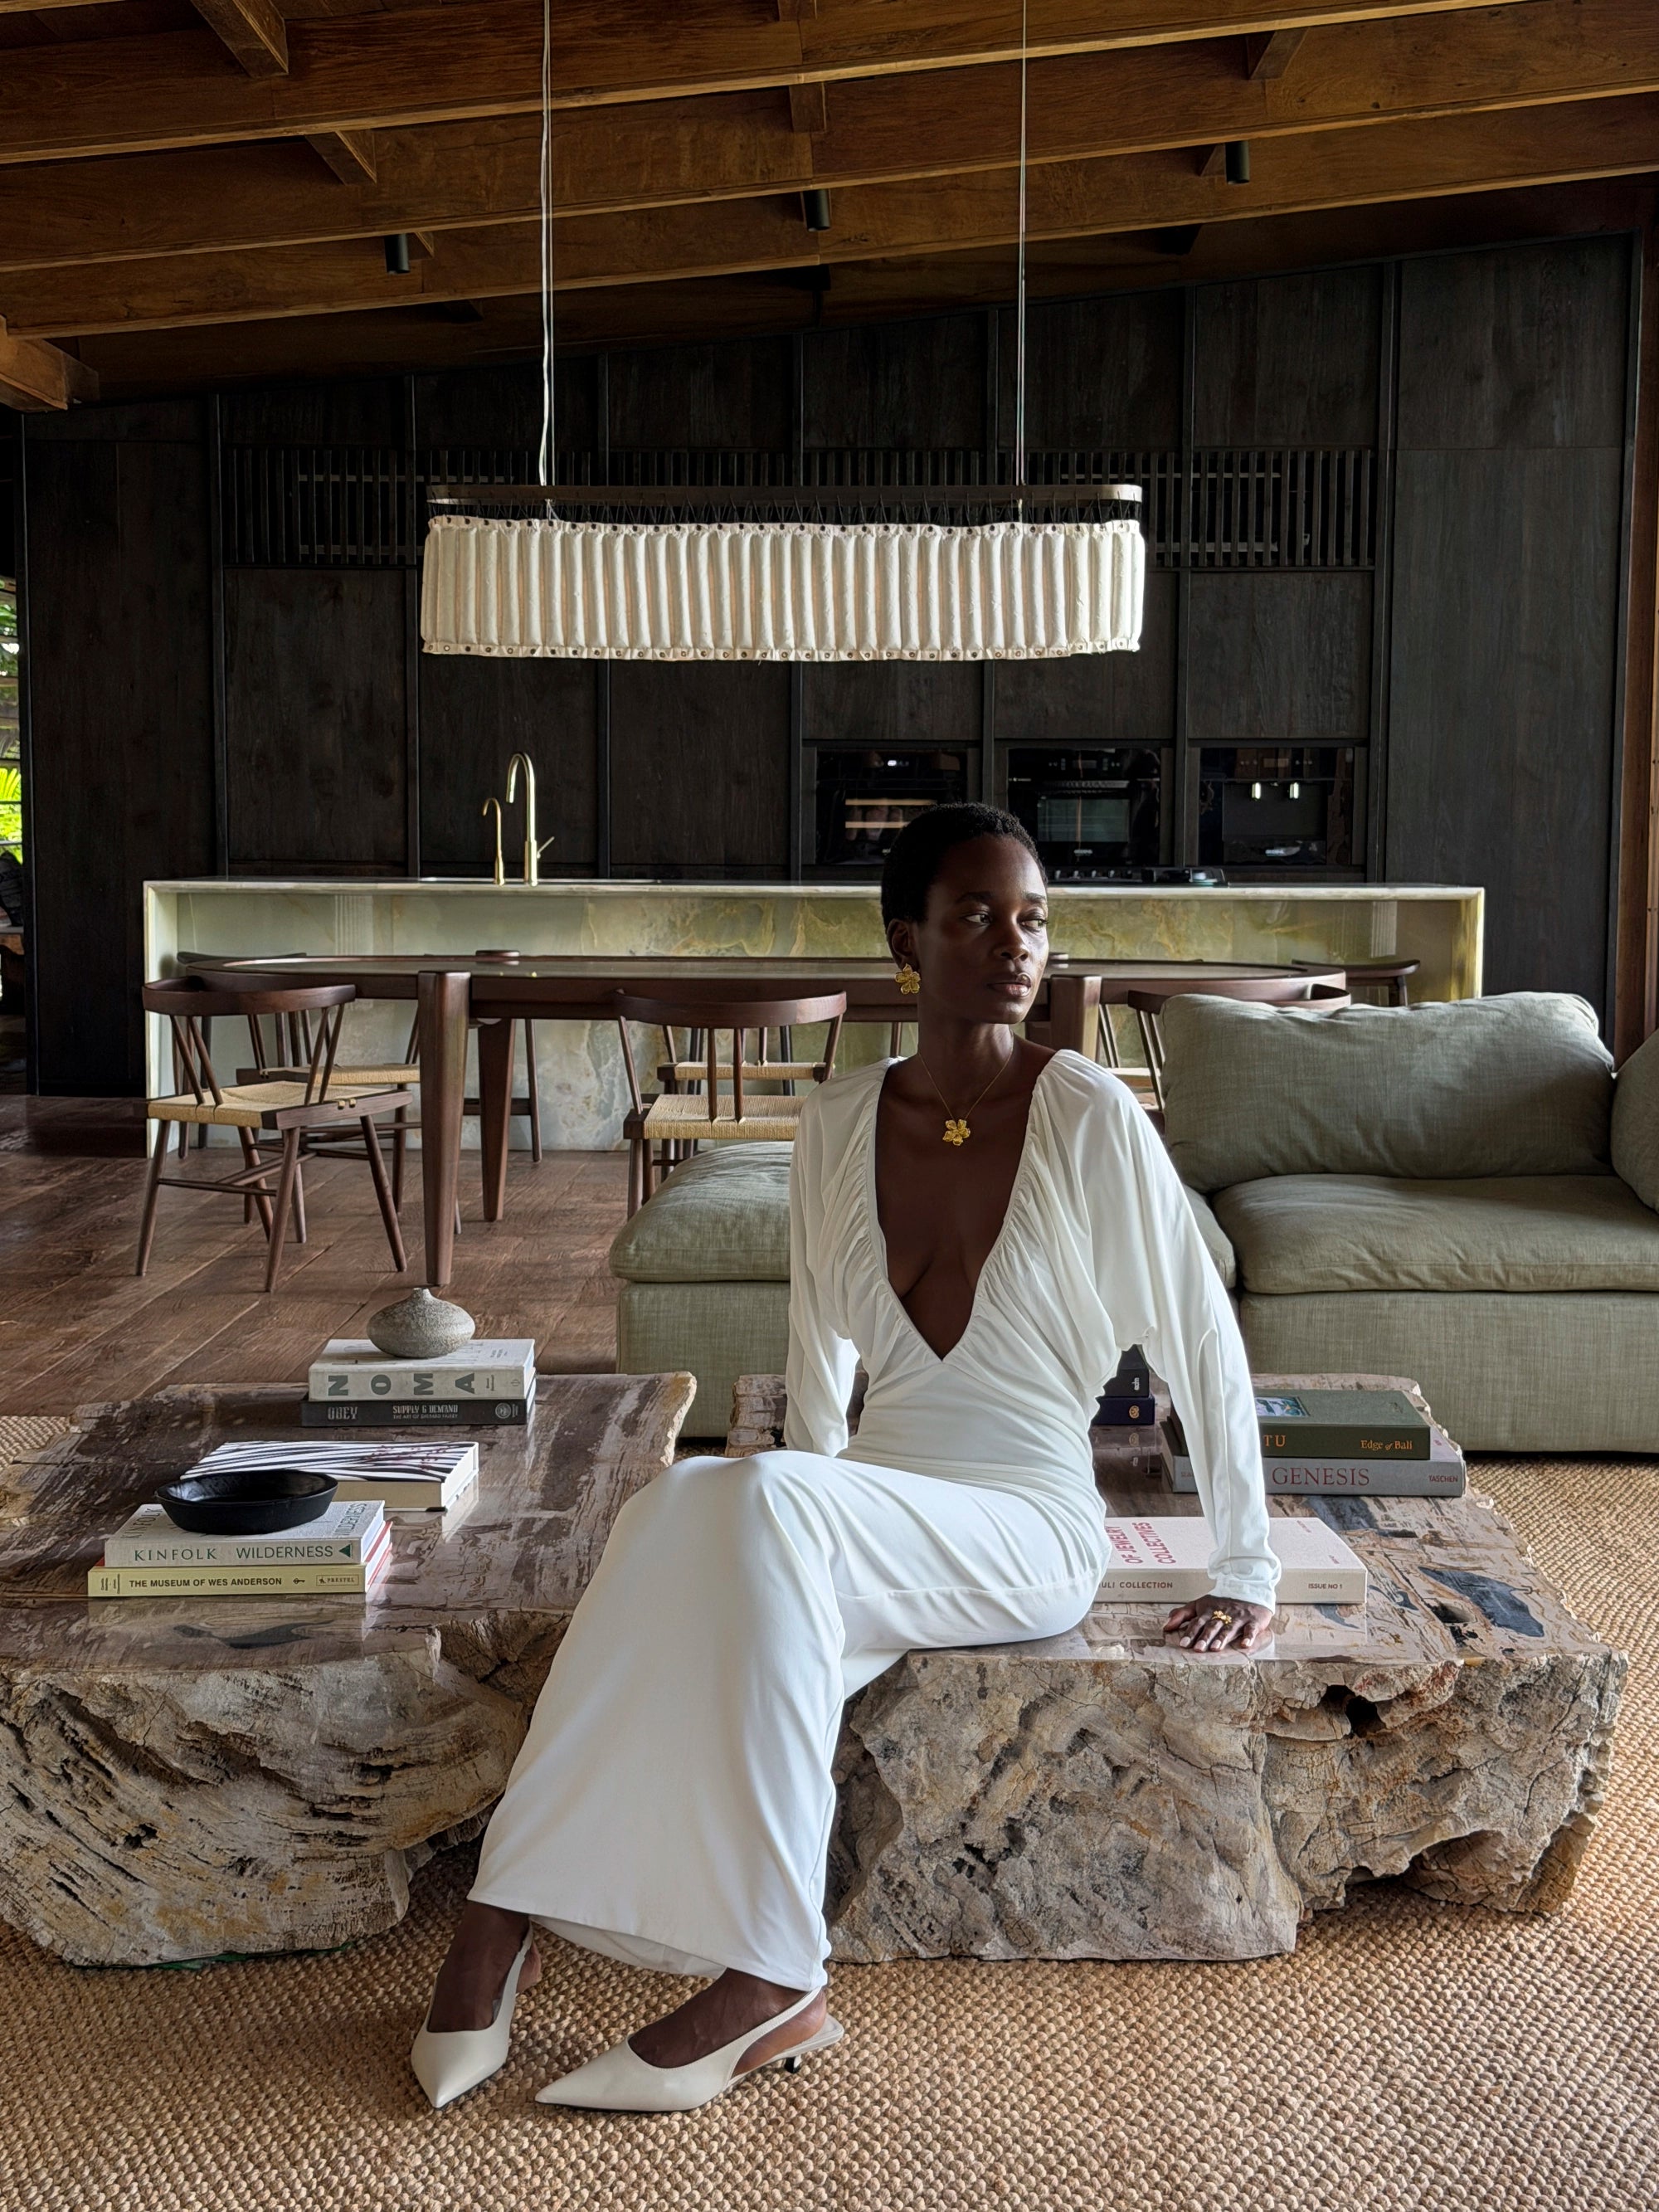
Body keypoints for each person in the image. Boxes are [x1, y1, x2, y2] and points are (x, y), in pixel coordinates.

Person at [411, 802, 1279, 2117]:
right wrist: (777, 1525)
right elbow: (815, 1362)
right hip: (869, 1500)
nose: (1015, 943)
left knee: (737, 1501)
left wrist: (1249, 1561)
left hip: (1025, 1524)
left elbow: (1203, 1334)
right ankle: (508, 1906)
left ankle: (766, 1970)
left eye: (1033, 917)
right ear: (906, 944)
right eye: (977, 914)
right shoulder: (837, 1121)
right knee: (679, 1507)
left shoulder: (1089, 1113)